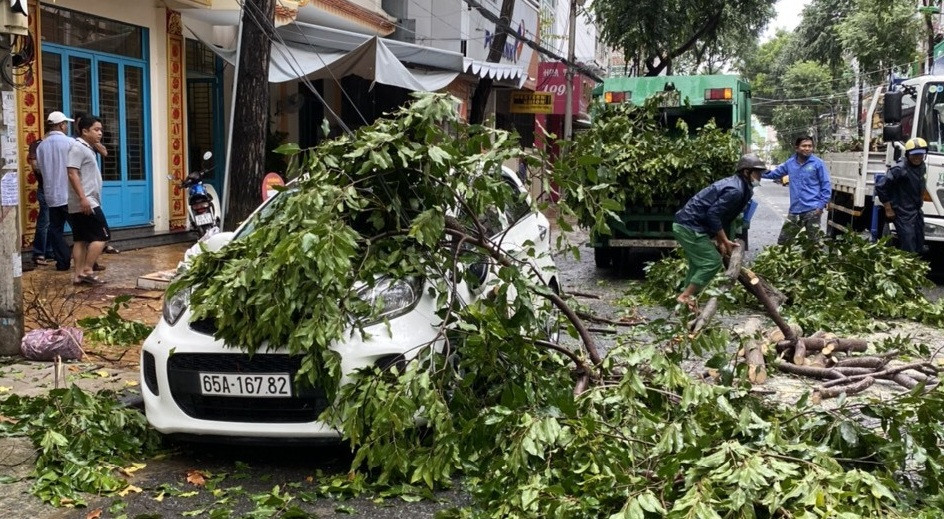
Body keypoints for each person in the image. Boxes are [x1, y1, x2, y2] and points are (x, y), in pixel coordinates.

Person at [673, 153, 767, 310]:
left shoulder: (743, 188)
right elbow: (713, 215)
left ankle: (686, 301)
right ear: (746, 172)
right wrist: (723, 240)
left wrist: (720, 239)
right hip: (688, 226)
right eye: (757, 172)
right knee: (711, 262)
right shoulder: (735, 190)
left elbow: (723, 217)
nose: (760, 176)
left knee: (697, 264)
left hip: (690, 225)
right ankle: (685, 296)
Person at [762, 136, 832, 245]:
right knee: (784, 242)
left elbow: (826, 185)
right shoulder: (790, 163)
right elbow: (774, 174)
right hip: (795, 210)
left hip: (812, 210)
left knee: (814, 245)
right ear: (797, 148)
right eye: (804, 146)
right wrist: (756, 171)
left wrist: (820, 206)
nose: (807, 148)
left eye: (810, 146)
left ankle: (811, 262)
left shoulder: (818, 163)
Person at [66, 115, 109, 285]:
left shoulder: (86, 147)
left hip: (82, 200)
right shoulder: (78, 148)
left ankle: (77, 276)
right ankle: (87, 270)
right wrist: (83, 198)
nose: (100, 133)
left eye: (101, 130)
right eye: (96, 130)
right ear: (84, 131)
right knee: (103, 236)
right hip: (86, 201)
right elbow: (72, 172)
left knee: (81, 239)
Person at [35, 111, 75, 272]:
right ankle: (87, 263)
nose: (66, 126)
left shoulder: (41, 145)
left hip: (51, 194)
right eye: (65, 124)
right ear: (61, 125)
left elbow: (39, 168)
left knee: (55, 229)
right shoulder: (70, 143)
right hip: (68, 194)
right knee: (80, 229)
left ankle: (62, 262)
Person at [875, 137, 928, 253]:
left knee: (919, 243)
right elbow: (881, 186)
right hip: (902, 213)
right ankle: (907, 268)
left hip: (916, 211)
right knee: (908, 245)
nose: (917, 157)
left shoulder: (922, 166)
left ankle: (914, 267)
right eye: (914, 155)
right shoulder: (900, 169)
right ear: (908, 154)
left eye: (920, 154)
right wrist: (888, 209)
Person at [28, 137, 54, 266]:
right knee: (45, 222)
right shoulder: (38, 144)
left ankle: (49, 251)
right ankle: (39, 253)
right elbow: (35, 166)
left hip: (57, 189)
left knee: (52, 222)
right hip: (45, 188)